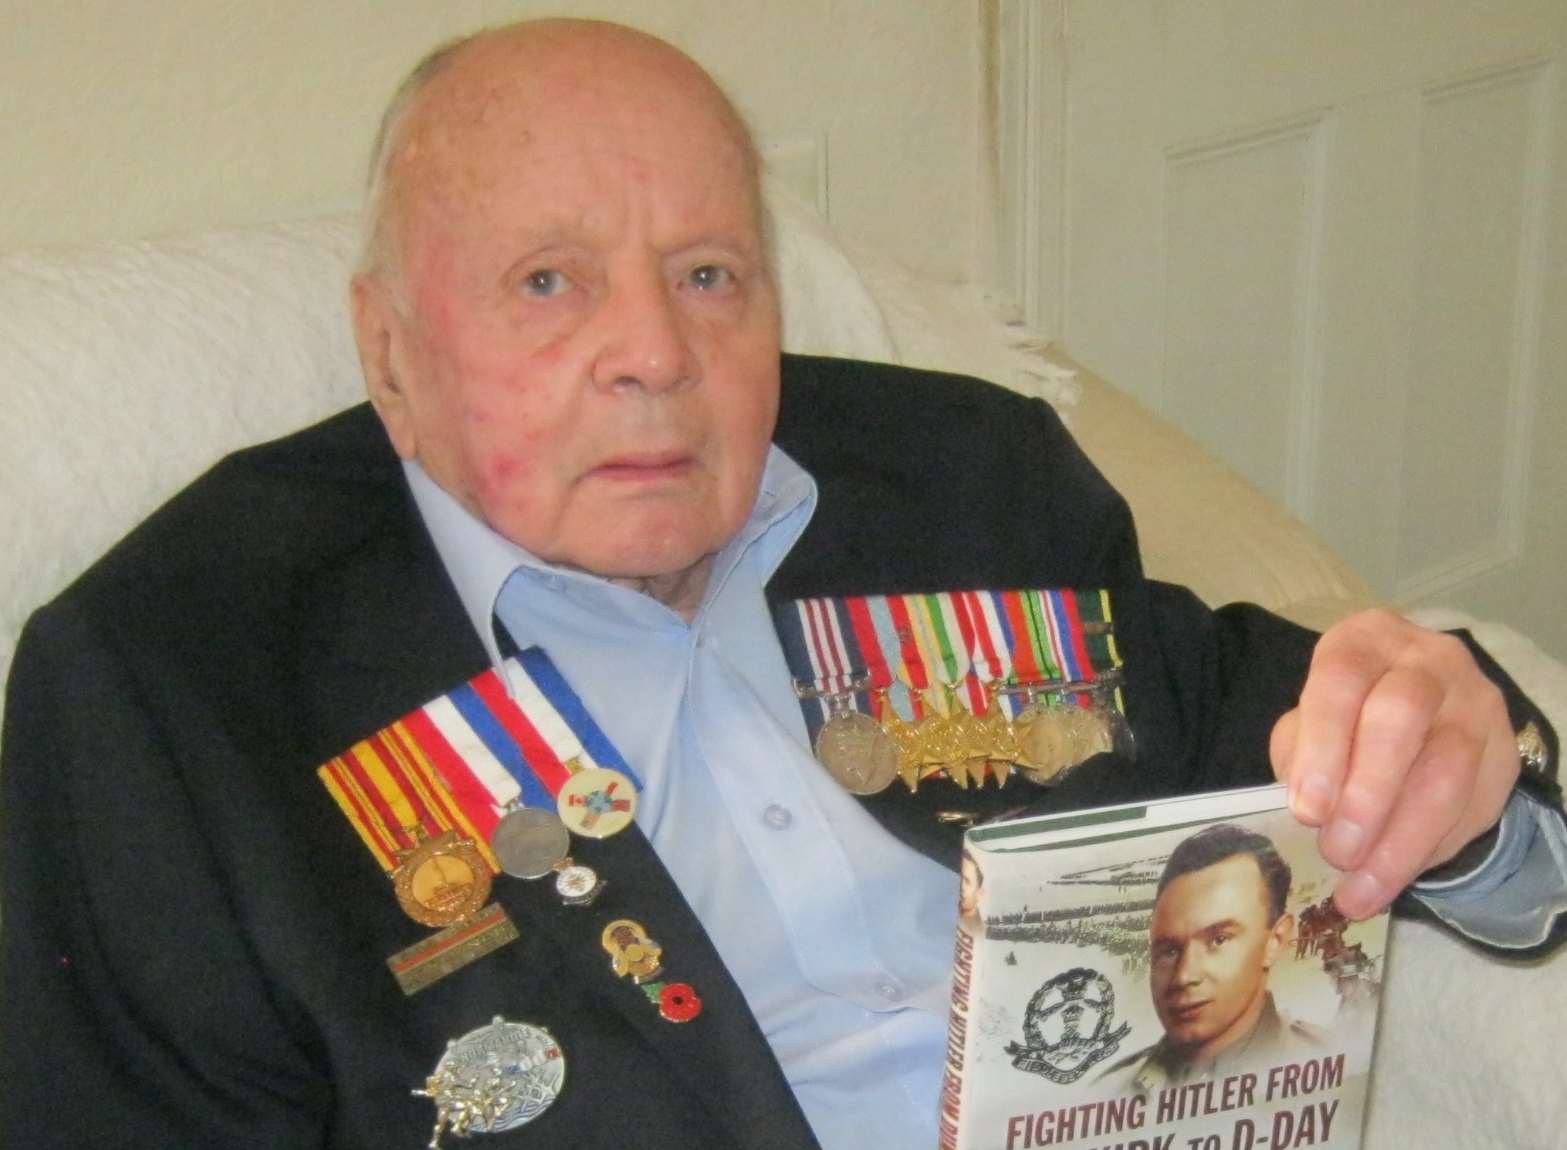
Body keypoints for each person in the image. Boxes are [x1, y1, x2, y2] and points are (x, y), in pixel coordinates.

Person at [1, 18, 1563, 1150]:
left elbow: (1325, 754)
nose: (652, 354)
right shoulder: (174, 689)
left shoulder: (963, 484)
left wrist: (1458, 775)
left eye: (706, 274)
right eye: (548, 282)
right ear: (388, 347)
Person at [1100, 824, 1325, 1093]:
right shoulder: (1109, 1091)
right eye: (1169, 951)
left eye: (1218, 940)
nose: (1184, 975)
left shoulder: (1333, 1064)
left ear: (1274, 941)